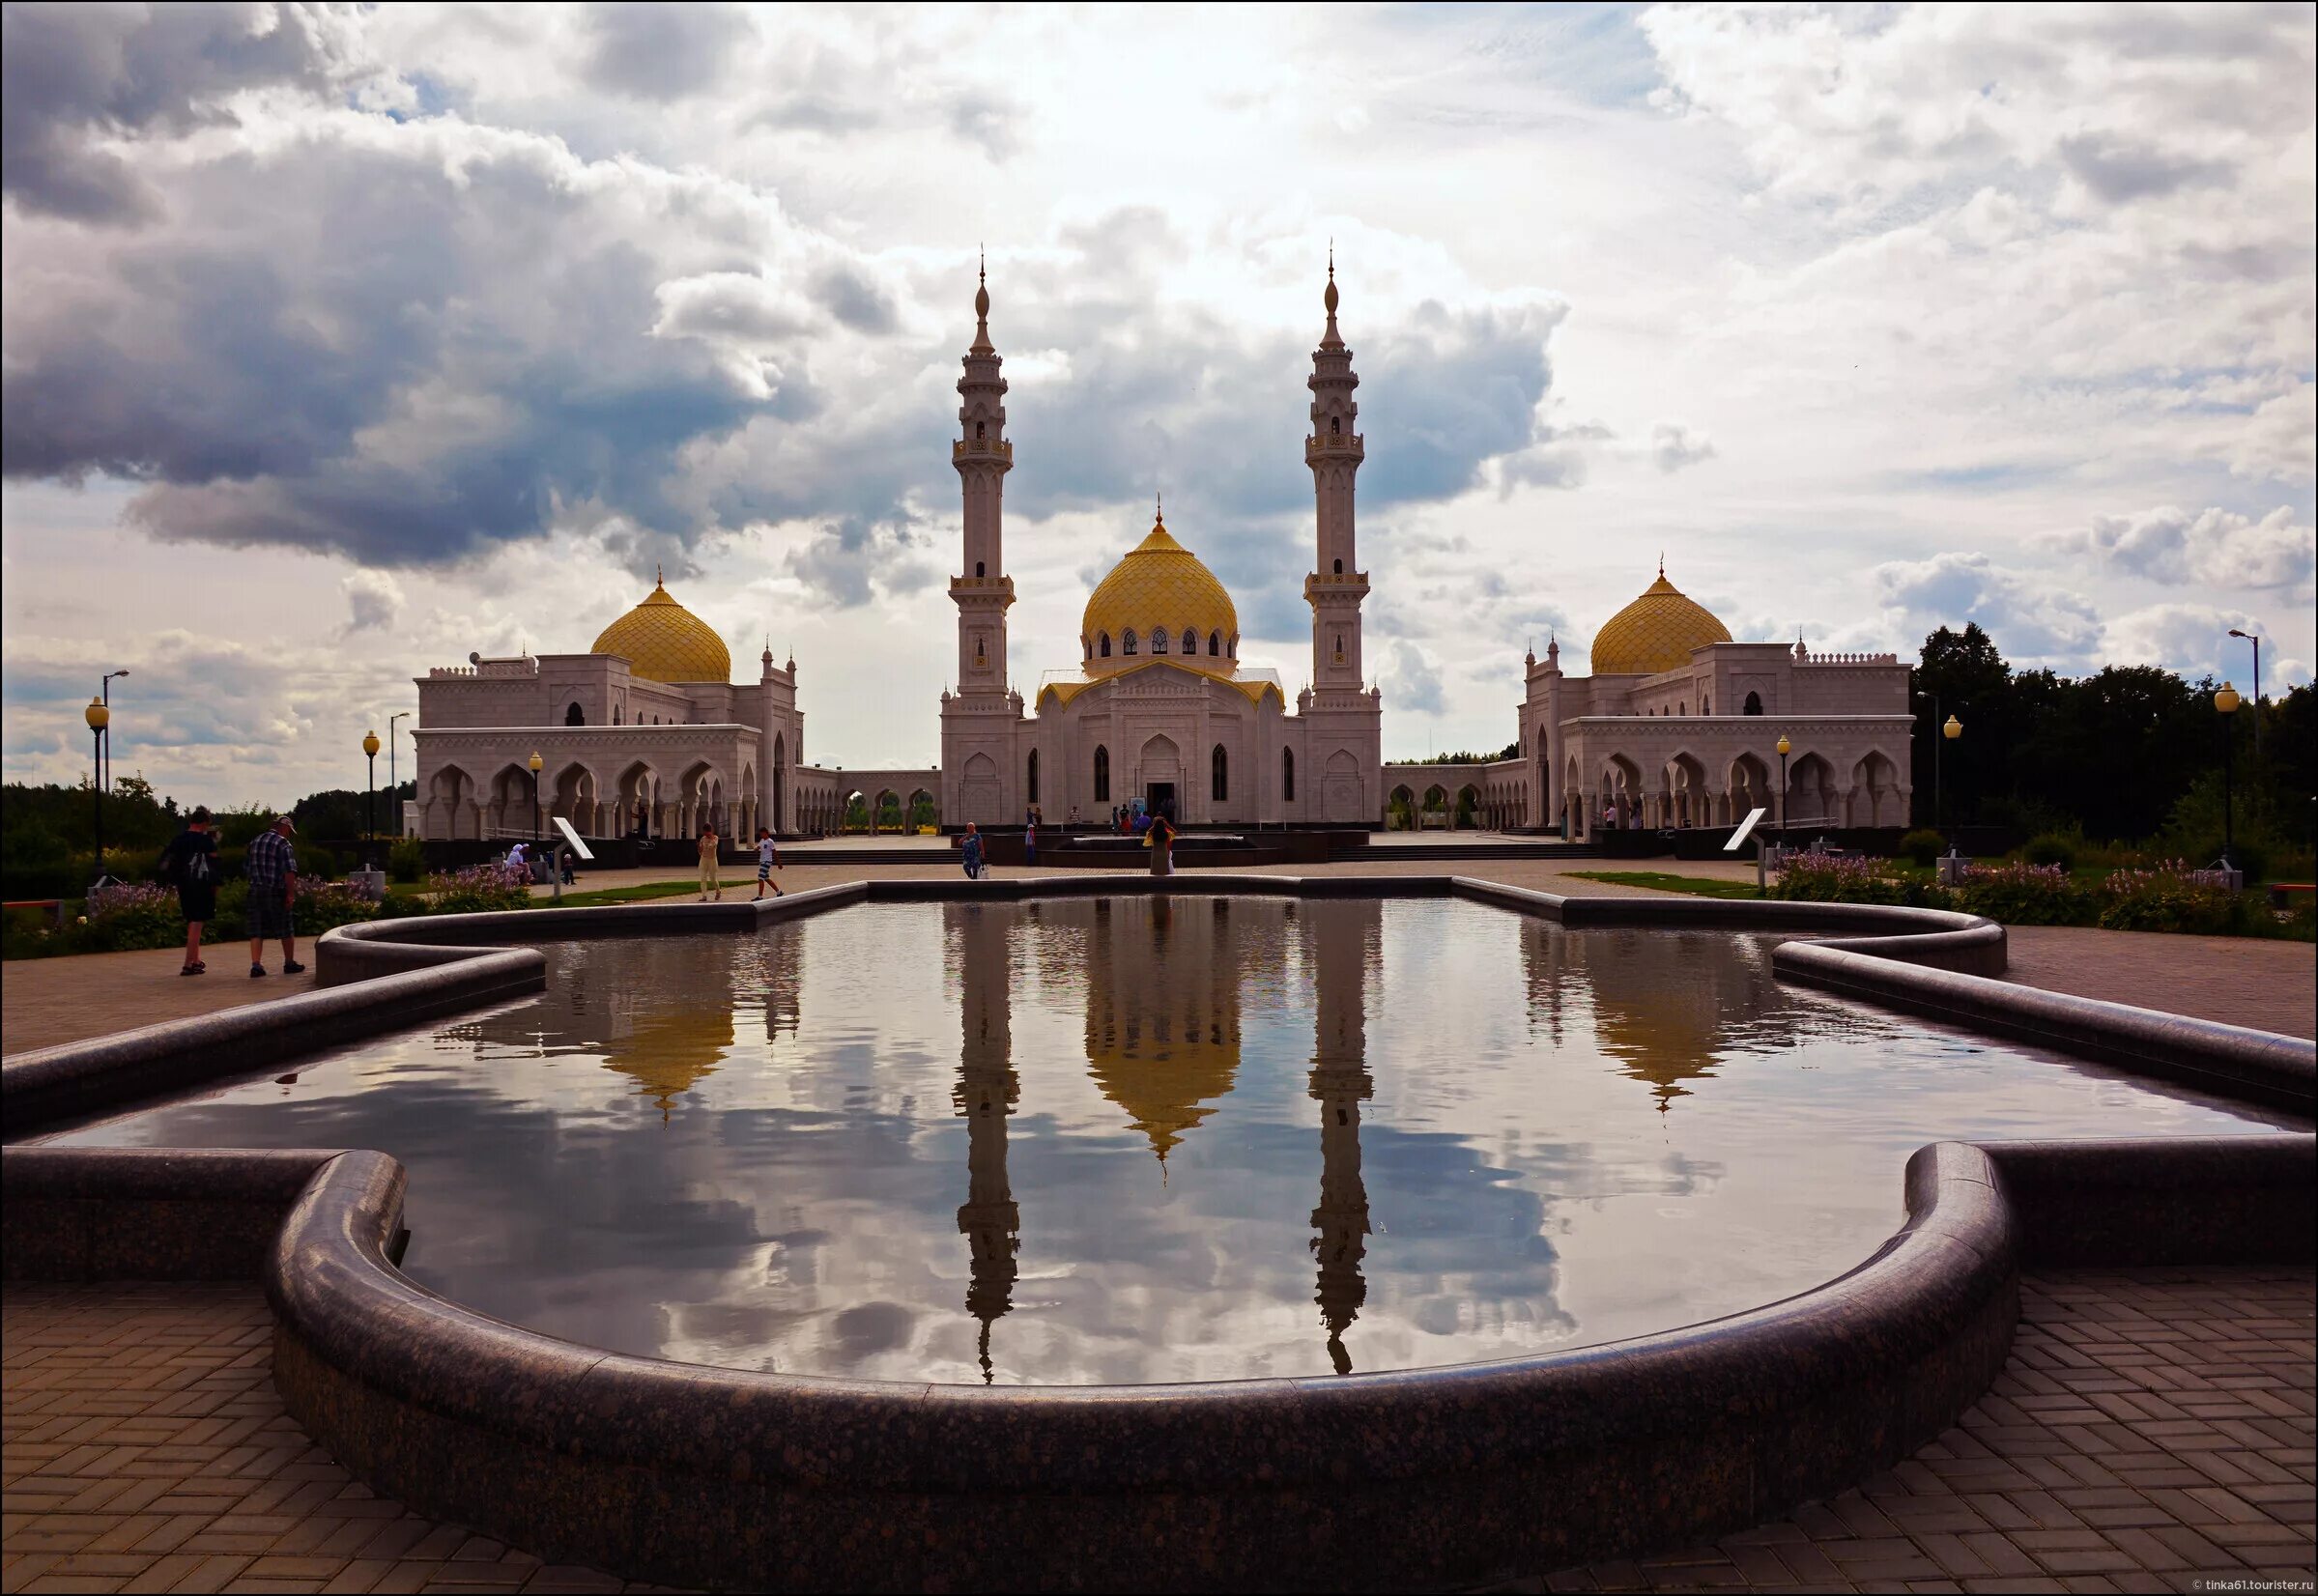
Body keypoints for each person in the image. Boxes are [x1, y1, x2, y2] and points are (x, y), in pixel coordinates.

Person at [157, 806, 219, 976]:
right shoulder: (206, 841)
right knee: (197, 922)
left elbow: (165, 861)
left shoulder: (178, 840)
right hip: (202, 885)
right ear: (204, 823)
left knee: (192, 921)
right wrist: (216, 886)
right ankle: (188, 964)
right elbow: (214, 866)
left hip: (184, 884)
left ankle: (196, 960)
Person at [244, 814, 303, 979]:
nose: (289, 834)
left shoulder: (255, 841)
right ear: (284, 827)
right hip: (276, 890)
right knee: (286, 927)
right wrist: (290, 894)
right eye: (289, 830)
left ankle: (256, 965)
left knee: (257, 929)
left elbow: (247, 867)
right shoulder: (283, 843)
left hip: (255, 890)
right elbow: (289, 871)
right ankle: (289, 962)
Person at [754, 827, 784, 899]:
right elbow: (758, 848)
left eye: (762, 834)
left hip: (767, 861)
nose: (761, 835)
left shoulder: (770, 841)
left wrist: (779, 863)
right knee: (766, 878)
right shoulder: (761, 841)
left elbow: (774, 852)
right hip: (762, 861)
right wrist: (756, 849)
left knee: (760, 878)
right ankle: (778, 892)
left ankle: (760, 896)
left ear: (766, 833)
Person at [698, 824, 722, 900]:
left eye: (706, 832)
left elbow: (713, 845)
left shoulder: (715, 838)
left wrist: (711, 838)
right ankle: (704, 896)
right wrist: (699, 847)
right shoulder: (703, 838)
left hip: (712, 860)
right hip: (703, 860)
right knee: (703, 878)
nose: (704, 833)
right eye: (704, 832)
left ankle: (718, 891)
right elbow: (700, 852)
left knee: (713, 878)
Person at [1147, 811, 1175, 877]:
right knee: (1164, 863)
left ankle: (1154, 872)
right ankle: (1165, 872)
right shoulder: (1166, 834)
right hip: (1163, 850)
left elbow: (1149, 831)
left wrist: (1153, 828)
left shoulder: (1154, 834)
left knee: (1155, 863)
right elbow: (1170, 829)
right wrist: (1172, 828)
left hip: (1156, 850)